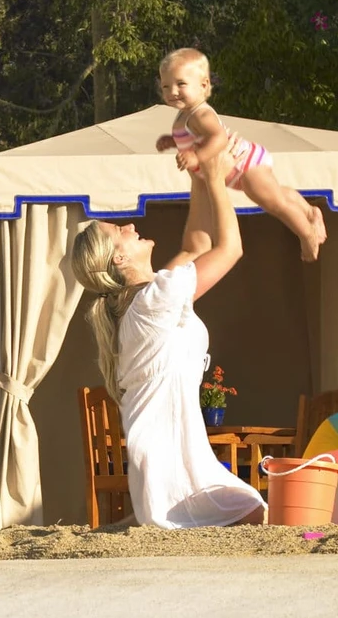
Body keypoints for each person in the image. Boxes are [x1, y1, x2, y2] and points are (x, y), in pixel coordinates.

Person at [71, 144, 266, 529]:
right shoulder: (151, 302)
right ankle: (135, 521)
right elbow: (230, 249)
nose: (129, 225)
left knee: (253, 509)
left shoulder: (149, 295)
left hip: (169, 459)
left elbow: (198, 246)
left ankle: (129, 523)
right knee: (255, 511)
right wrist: (215, 175)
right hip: (170, 466)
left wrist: (196, 174)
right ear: (119, 260)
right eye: (118, 231)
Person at [154, 47, 327, 262]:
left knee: (273, 203)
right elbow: (194, 138)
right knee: (275, 194)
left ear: (204, 85)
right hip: (241, 165)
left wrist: (196, 157)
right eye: (166, 86)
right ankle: (309, 212)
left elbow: (219, 138)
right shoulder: (186, 115)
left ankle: (306, 234)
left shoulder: (201, 114)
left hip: (244, 164)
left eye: (181, 84)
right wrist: (172, 141)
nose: (173, 92)